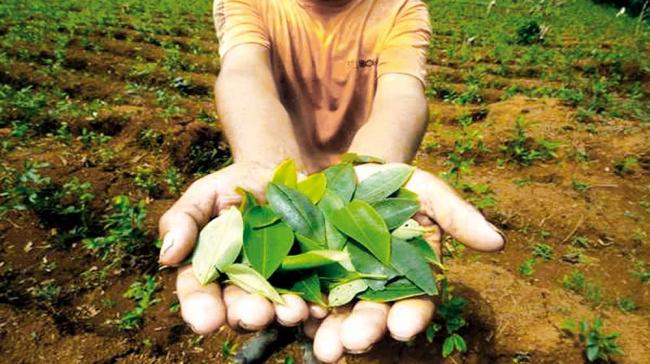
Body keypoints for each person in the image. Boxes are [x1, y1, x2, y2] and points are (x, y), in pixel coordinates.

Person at [158, 0, 505, 362]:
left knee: (325, 284)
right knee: (279, 275)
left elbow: (402, 94)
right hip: (282, 182)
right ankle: (278, 329)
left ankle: (309, 343)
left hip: (356, 175)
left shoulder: (398, 7)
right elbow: (243, 72)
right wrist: (264, 162)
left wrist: (375, 172)